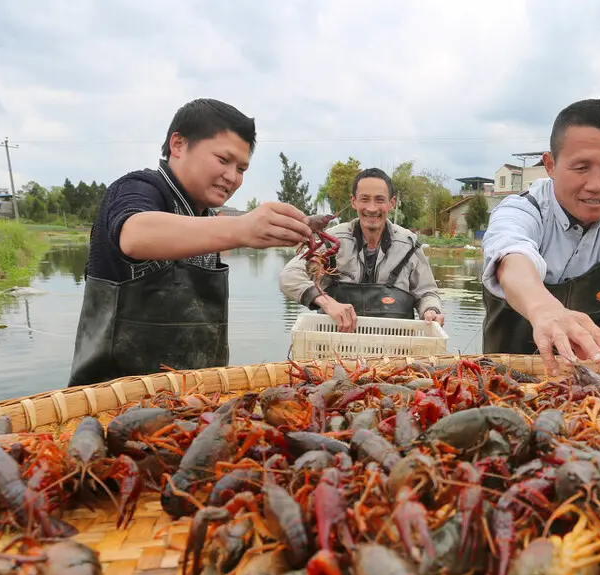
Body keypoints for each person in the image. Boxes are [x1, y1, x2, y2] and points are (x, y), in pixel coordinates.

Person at [68, 98, 314, 387]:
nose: (232, 177)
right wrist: (241, 228)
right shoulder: (139, 188)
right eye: (223, 160)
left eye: (242, 169)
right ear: (178, 145)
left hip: (192, 398)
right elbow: (135, 234)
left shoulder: (205, 216)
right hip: (113, 399)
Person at [480, 98, 600, 376]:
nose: (596, 185)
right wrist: (543, 309)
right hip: (502, 376)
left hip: (578, 380)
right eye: (581, 167)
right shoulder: (521, 210)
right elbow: (511, 257)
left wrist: (586, 365)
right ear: (550, 164)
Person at [279, 167, 444, 332]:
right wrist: (327, 302)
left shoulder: (409, 244)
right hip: (335, 346)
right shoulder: (330, 240)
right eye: (364, 199)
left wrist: (431, 310)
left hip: (395, 349)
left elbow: (427, 292)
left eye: (379, 200)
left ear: (391, 203)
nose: (372, 208)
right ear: (353, 201)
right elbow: (288, 276)